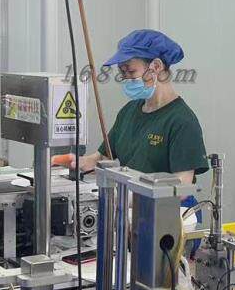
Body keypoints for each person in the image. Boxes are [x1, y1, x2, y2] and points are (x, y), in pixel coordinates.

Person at [70, 29, 208, 183]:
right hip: (128, 197)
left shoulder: (182, 121)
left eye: (131, 71)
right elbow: (102, 158)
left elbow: (182, 182)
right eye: (123, 73)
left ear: (156, 66)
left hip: (162, 200)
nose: (127, 79)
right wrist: (77, 162)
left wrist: (138, 192)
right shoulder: (129, 111)